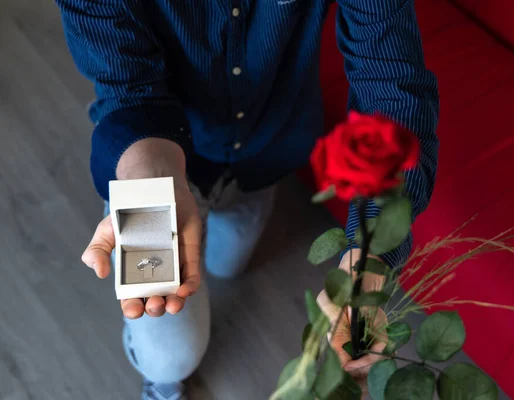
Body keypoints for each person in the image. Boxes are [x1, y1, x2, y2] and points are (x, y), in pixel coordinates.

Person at [56, 0, 439, 399]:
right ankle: (162, 383)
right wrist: (152, 185)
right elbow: (127, 89)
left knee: (230, 262)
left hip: (268, 150)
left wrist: (368, 264)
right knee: (169, 354)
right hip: (158, 162)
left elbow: (393, 79)